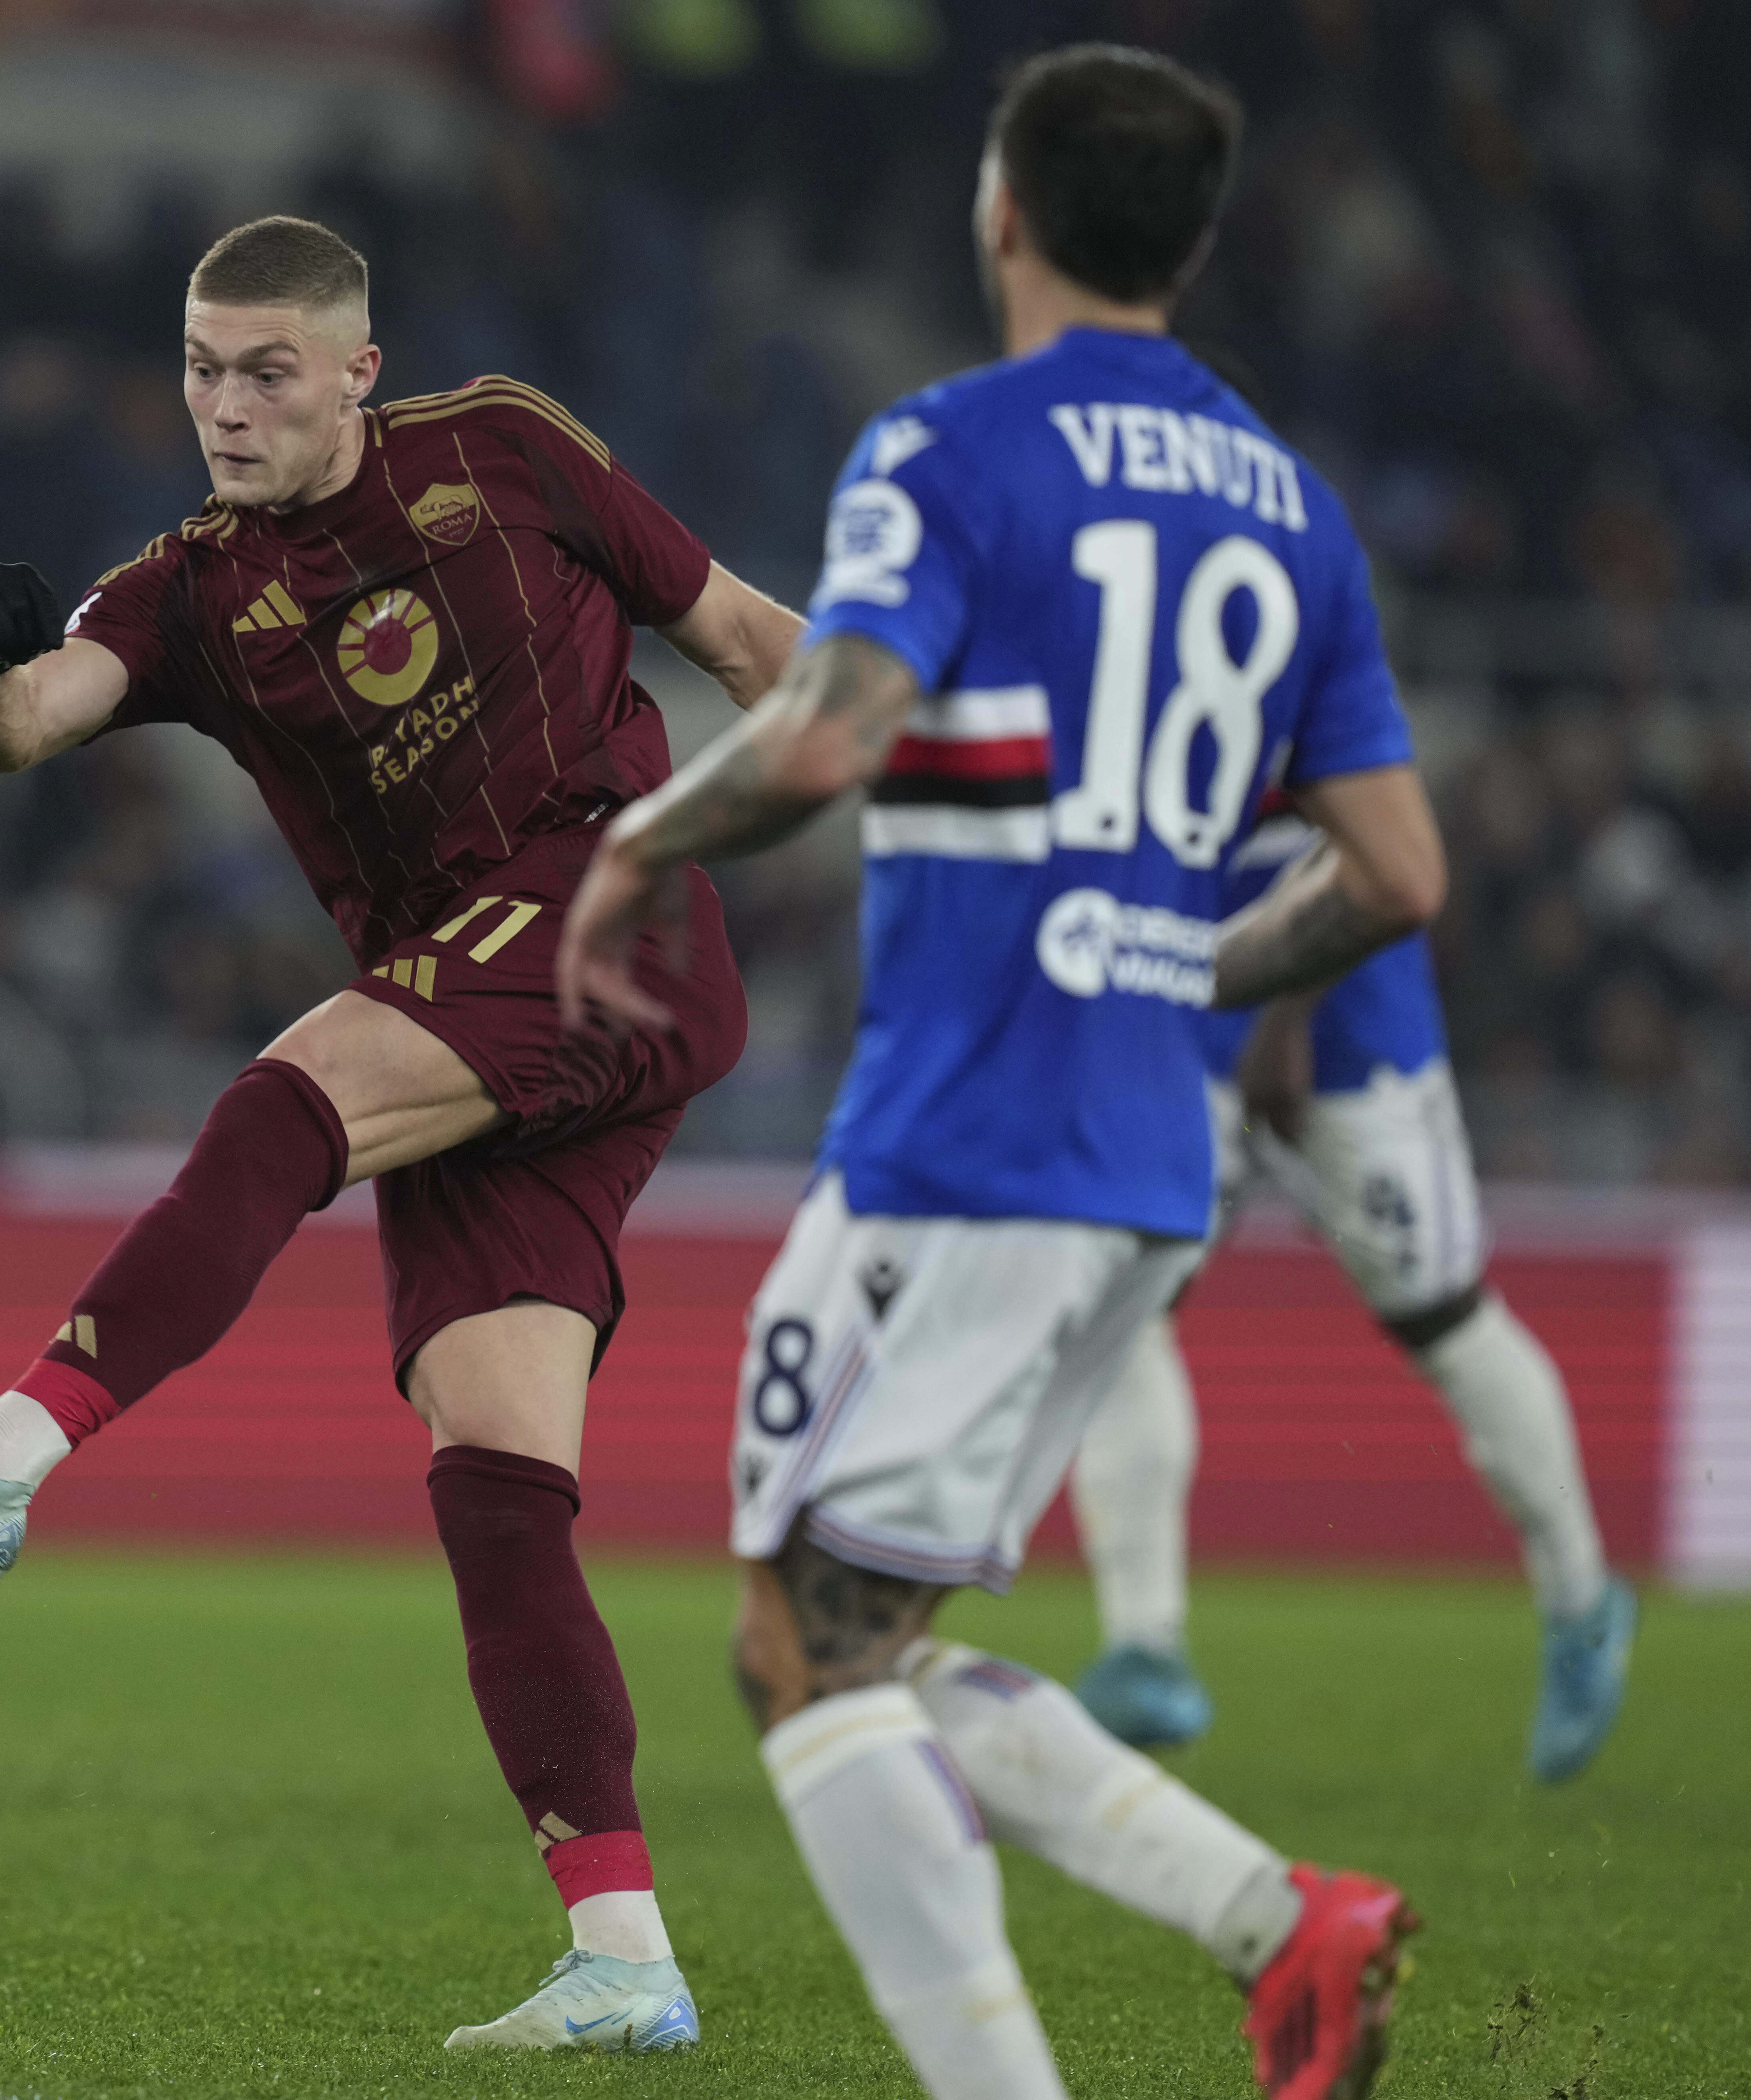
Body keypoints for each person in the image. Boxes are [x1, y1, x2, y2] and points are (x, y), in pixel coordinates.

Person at [0, 214, 807, 2051]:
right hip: (483, 1009)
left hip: (608, 913)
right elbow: (12, 731)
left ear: (353, 372)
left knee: (285, 1101)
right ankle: (624, 1955)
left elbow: (740, 638)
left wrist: (945, 781)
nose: (222, 410)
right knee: (494, 1485)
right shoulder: (184, 590)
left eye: (262, 372)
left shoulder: (508, 455)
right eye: (197, 369)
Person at [557, 48, 1434, 2100]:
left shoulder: (948, 448)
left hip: (962, 1144)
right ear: (1192, 240)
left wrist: (637, 839)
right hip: (1137, 1160)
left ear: (1000, 211)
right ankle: (1270, 1923)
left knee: (802, 1656)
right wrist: (1167, 976)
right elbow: (1395, 868)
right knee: (868, 1640)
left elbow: (831, 734)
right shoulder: (1291, 507)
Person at [1065, 812, 1632, 1775]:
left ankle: (1582, 1597)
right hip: (1173, 984)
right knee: (1122, 1300)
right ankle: (1143, 1644)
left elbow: (1377, 838)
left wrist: (1284, 1014)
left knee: (1439, 1312)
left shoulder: (1303, 656)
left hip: (1344, 998)